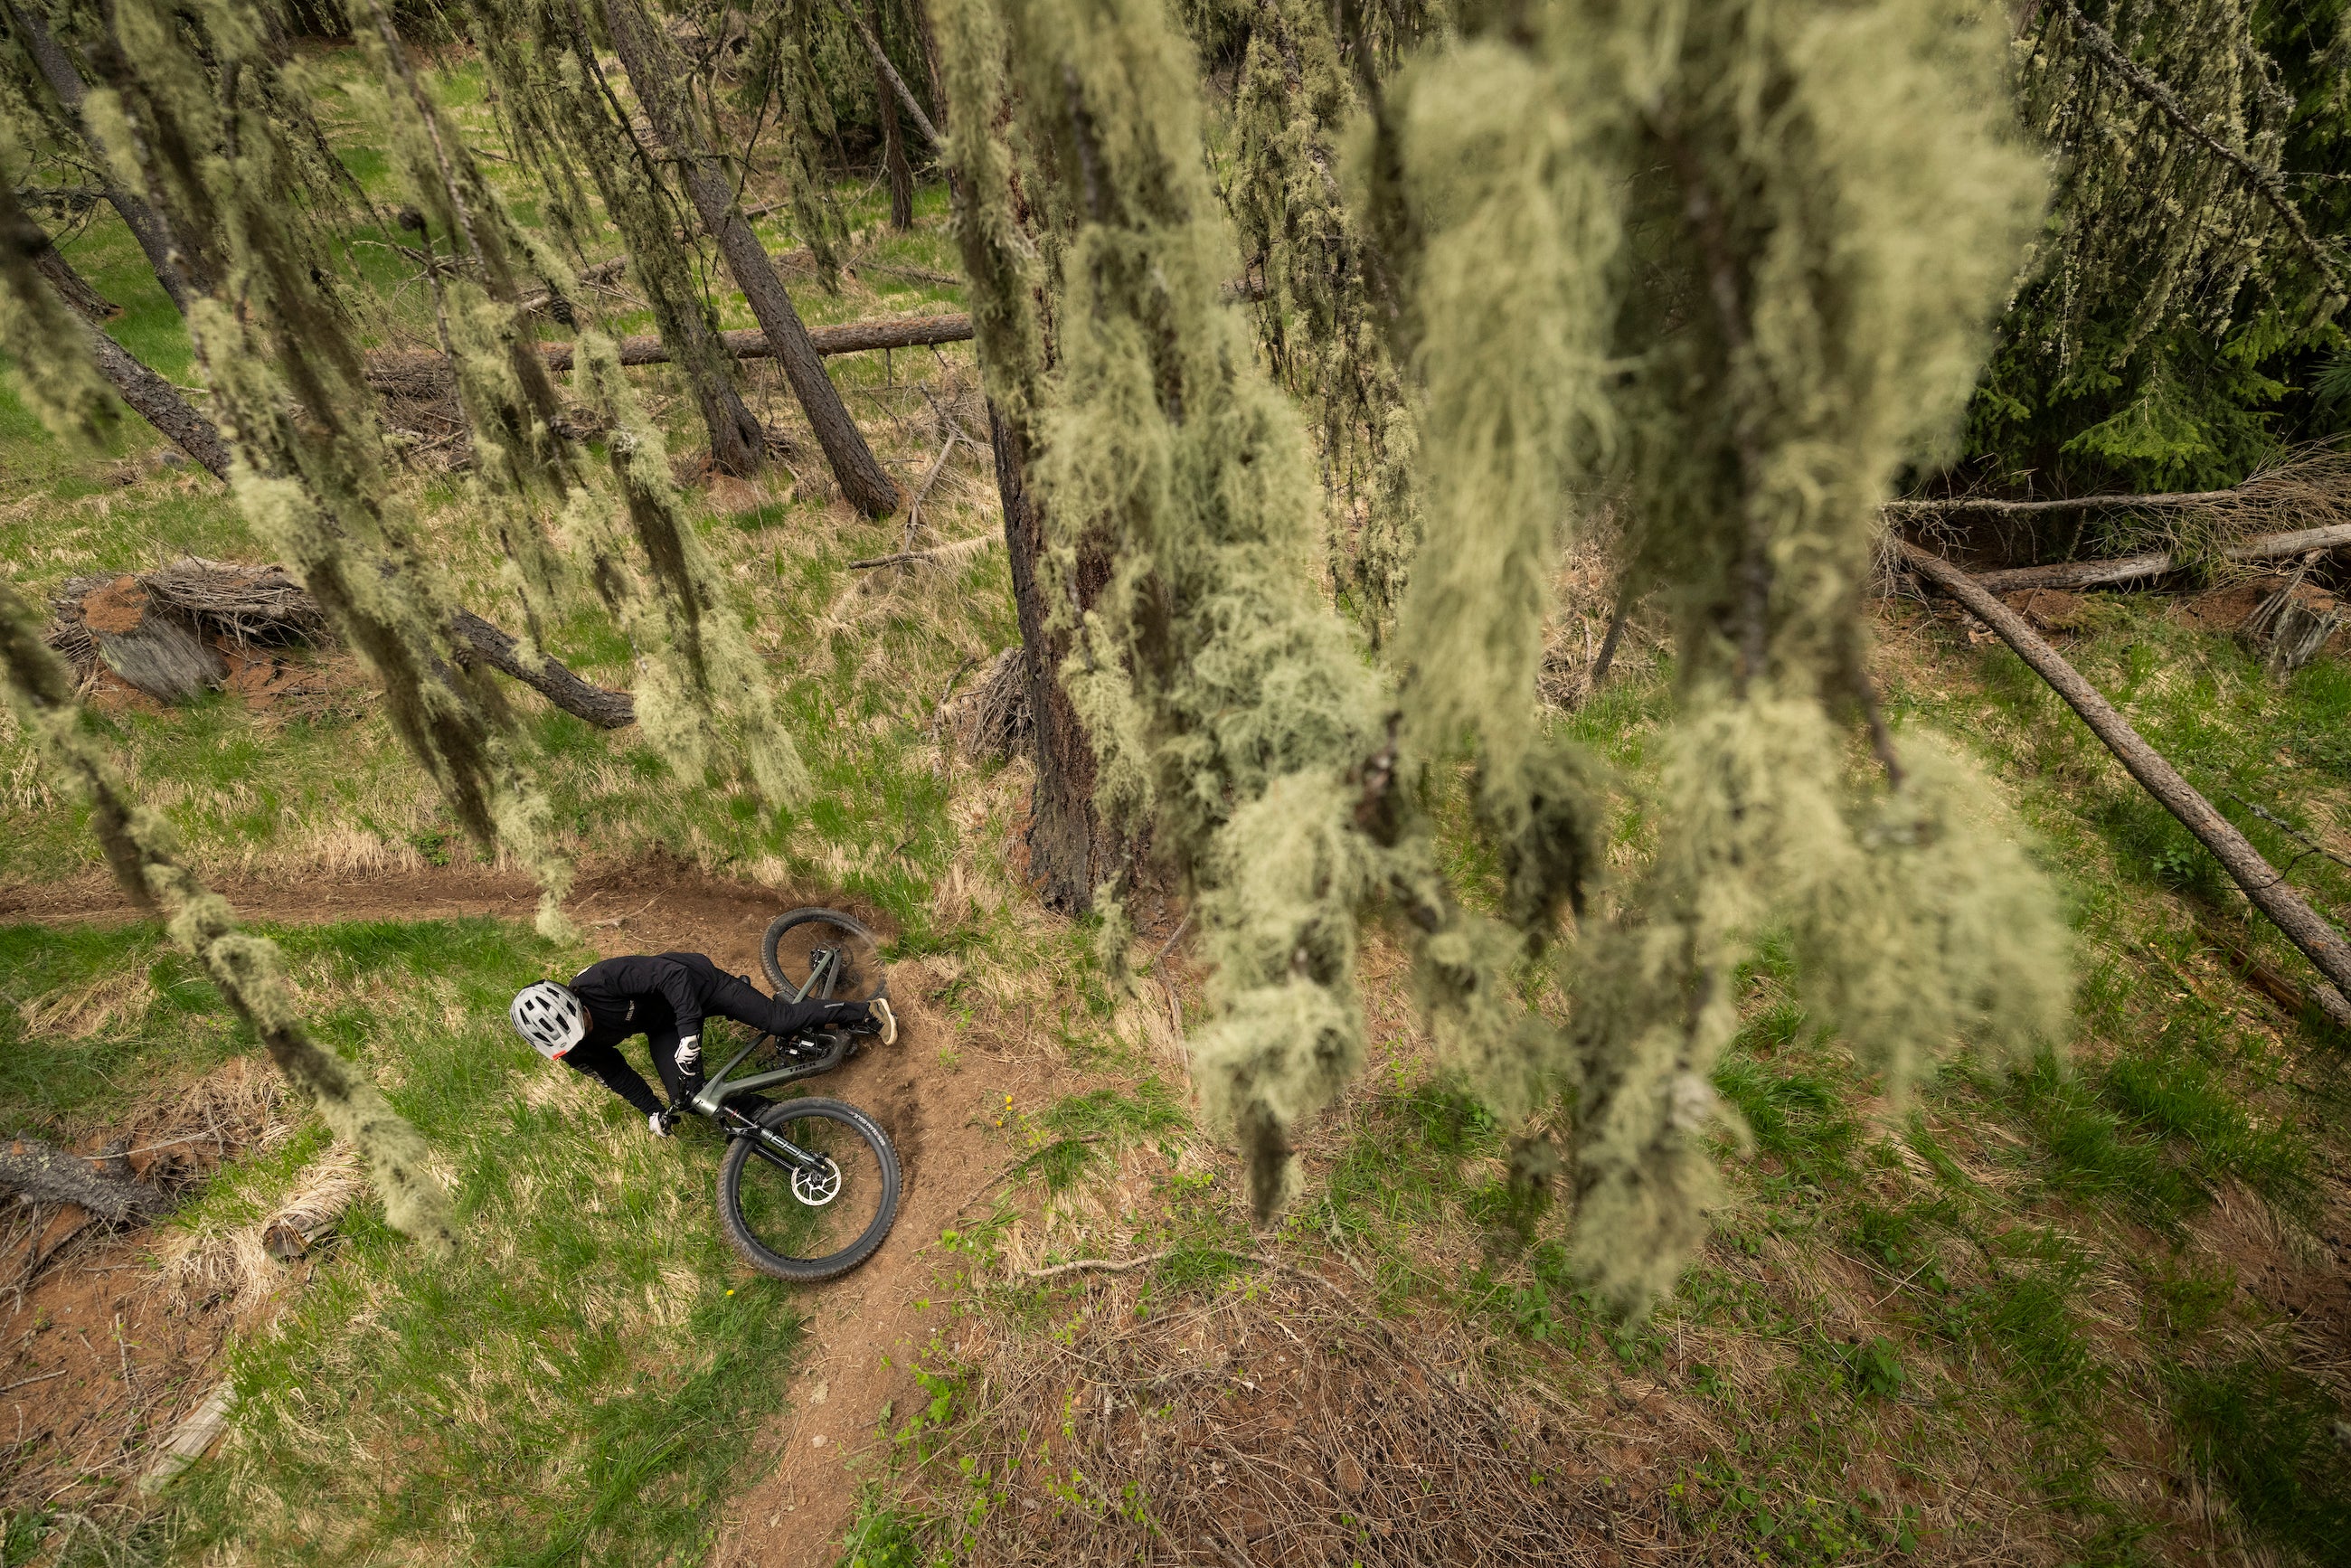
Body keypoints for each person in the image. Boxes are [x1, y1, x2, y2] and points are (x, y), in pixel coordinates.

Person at [508, 951, 894, 1136]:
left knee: (780, 1021)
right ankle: (771, 1115)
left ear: (575, 1001)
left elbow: (672, 975)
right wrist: (651, 1111)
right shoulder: (571, 1048)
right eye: (575, 1039)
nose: (585, 1034)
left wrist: (690, 1033)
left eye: (583, 1023)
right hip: (660, 1023)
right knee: (691, 1096)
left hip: (697, 984)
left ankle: (863, 1011)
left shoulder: (603, 979)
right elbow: (617, 1074)